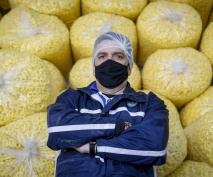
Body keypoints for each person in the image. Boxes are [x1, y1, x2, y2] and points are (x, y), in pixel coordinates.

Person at [47, 31, 169, 177]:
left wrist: (92, 146)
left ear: (129, 68)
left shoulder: (149, 103)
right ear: (93, 68)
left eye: (118, 56)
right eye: (102, 56)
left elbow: (154, 148)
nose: (109, 61)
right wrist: (119, 127)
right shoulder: (72, 98)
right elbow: (57, 130)